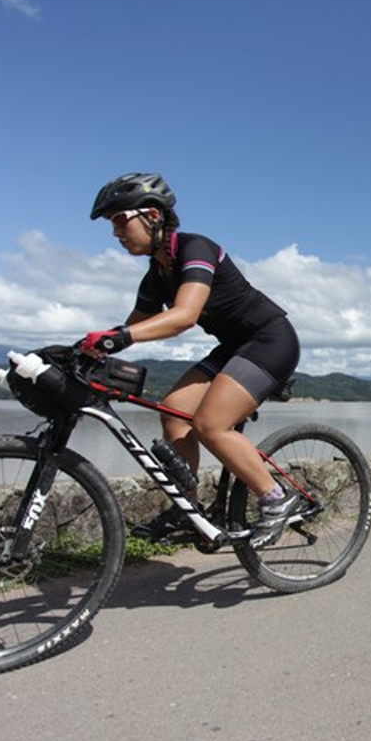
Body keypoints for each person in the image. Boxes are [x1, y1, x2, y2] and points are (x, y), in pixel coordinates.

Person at [83, 172, 301, 545]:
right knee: (173, 410)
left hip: (270, 340)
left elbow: (184, 316)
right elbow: (134, 327)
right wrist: (89, 348)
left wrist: (117, 337)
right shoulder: (157, 275)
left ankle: (276, 499)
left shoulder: (195, 249)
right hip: (234, 347)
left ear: (152, 215)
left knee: (210, 425)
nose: (115, 232)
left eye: (120, 220)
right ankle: (190, 509)